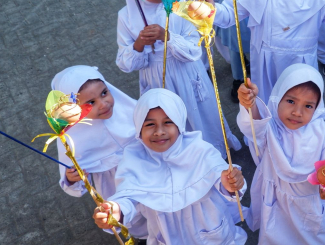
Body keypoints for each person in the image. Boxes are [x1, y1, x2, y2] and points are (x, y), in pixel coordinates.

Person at [115, 0, 242, 157]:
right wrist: (139, 43)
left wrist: (168, 37)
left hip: (187, 73)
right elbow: (124, 63)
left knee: (198, 115)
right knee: (169, 119)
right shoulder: (126, 16)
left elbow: (194, 48)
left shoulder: (179, 6)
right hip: (157, 79)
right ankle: (179, 160)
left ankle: (209, 156)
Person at [92, 88, 247, 244]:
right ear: (139, 128)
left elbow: (220, 176)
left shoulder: (198, 148)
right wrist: (116, 210)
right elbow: (128, 197)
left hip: (210, 225)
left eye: (168, 122)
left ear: (179, 123)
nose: (159, 131)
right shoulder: (133, 159)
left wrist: (230, 182)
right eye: (150, 124)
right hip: (167, 233)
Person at [237, 64, 325, 244]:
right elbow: (253, 127)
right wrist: (250, 105)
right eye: (291, 101)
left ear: (317, 108)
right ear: (278, 98)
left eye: (308, 106)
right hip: (278, 202)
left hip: (310, 203)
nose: (297, 112)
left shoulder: (322, 132)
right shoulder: (271, 128)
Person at [51, 65, 148, 240]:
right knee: (133, 217)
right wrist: (72, 177)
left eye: (104, 93)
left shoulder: (129, 111)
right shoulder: (72, 138)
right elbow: (71, 174)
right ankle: (143, 236)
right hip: (112, 182)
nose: (103, 104)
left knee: (152, 204)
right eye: (90, 103)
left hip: (143, 169)